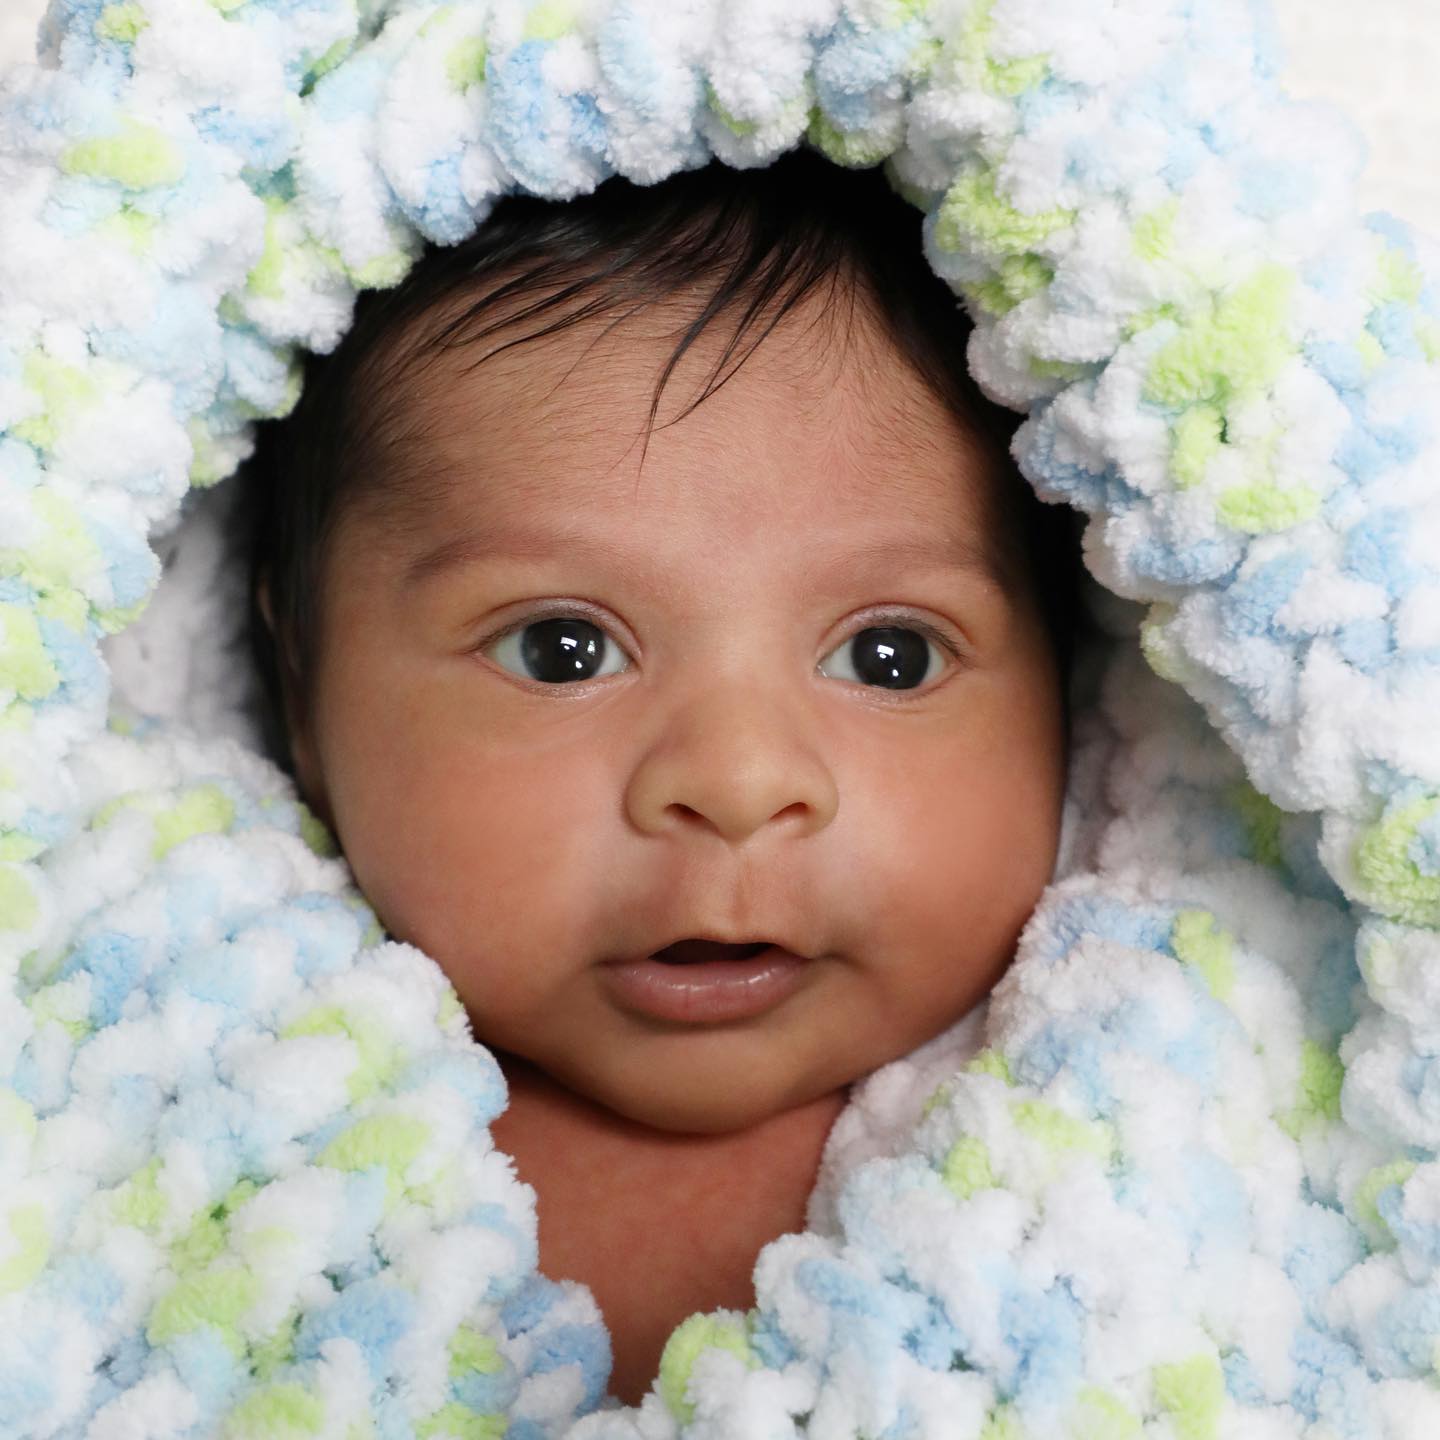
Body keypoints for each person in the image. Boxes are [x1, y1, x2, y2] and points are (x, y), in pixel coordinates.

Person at [244, 146, 1075, 1406]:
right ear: (301, 683)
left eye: (890, 655)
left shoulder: (1122, 1133)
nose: (737, 782)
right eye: (561, 649)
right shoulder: (248, 1132)